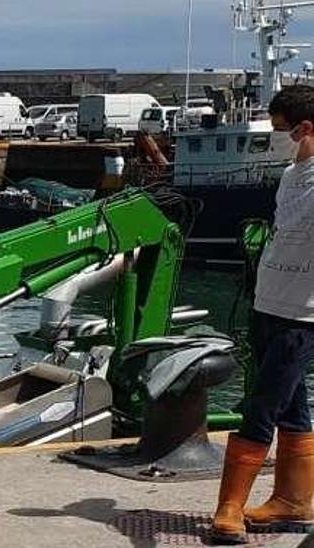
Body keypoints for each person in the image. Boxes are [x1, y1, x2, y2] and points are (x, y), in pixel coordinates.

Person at [210, 85, 314, 543]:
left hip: (301, 313)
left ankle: (229, 507)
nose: (280, 142)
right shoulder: (295, 173)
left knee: (262, 405)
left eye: (282, 133)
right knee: (293, 405)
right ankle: (292, 502)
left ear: (305, 128)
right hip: (269, 299)